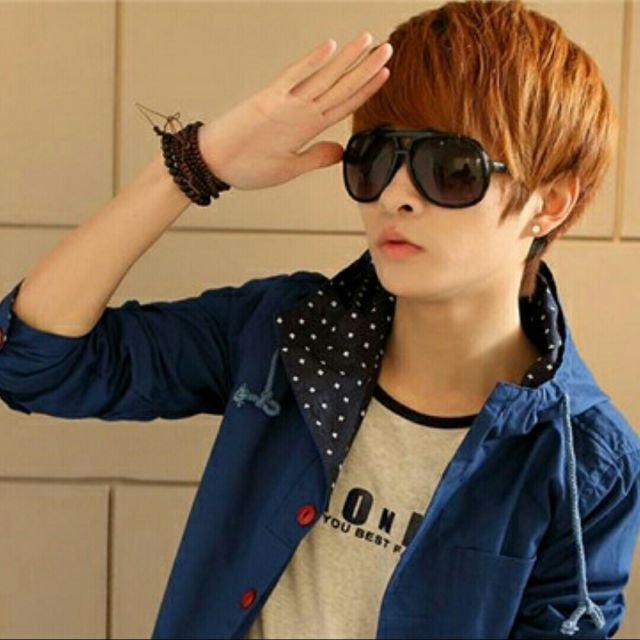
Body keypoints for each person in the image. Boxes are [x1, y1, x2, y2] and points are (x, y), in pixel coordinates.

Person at [0, 0, 639, 638]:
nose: (395, 196)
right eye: (376, 159)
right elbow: (36, 362)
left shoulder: (584, 464)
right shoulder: (284, 333)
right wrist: (197, 164)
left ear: (550, 202)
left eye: (449, 168)